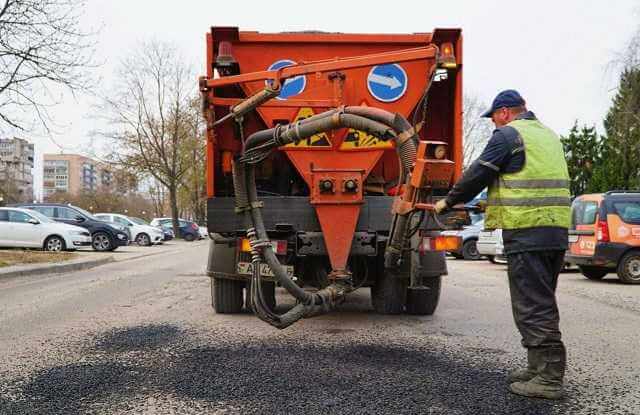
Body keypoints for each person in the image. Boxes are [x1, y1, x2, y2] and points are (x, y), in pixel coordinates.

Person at [435, 90, 570, 400]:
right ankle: (537, 367)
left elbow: (478, 175)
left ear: (505, 112)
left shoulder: (509, 136)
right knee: (541, 299)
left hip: (527, 231)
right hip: (554, 231)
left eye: (494, 117)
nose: (493, 124)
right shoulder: (548, 136)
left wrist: (447, 202)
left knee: (532, 305)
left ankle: (549, 378)